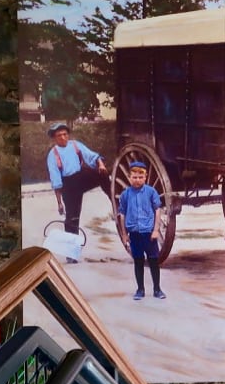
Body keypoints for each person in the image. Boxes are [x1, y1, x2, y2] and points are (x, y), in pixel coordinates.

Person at [45, 122, 113, 263]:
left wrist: (100, 164)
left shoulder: (75, 145)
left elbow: (92, 156)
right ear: (54, 138)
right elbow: (56, 181)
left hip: (80, 177)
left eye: (65, 134)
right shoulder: (53, 155)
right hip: (68, 185)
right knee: (72, 218)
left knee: (102, 174)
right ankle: (71, 253)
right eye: (59, 136)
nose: (63, 138)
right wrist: (59, 203)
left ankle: (115, 199)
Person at [116, 161, 166, 300]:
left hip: (148, 233)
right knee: (138, 261)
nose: (137, 180)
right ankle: (140, 289)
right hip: (134, 234)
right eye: (134, 177)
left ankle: (157, 289)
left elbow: (157, 210)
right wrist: (124, 234)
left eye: (140, 177)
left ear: (145, 177)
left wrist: (156, 230)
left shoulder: (151, 192)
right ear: (129, 177)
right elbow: (122, 214)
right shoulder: (125, 194)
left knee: (153, 261)